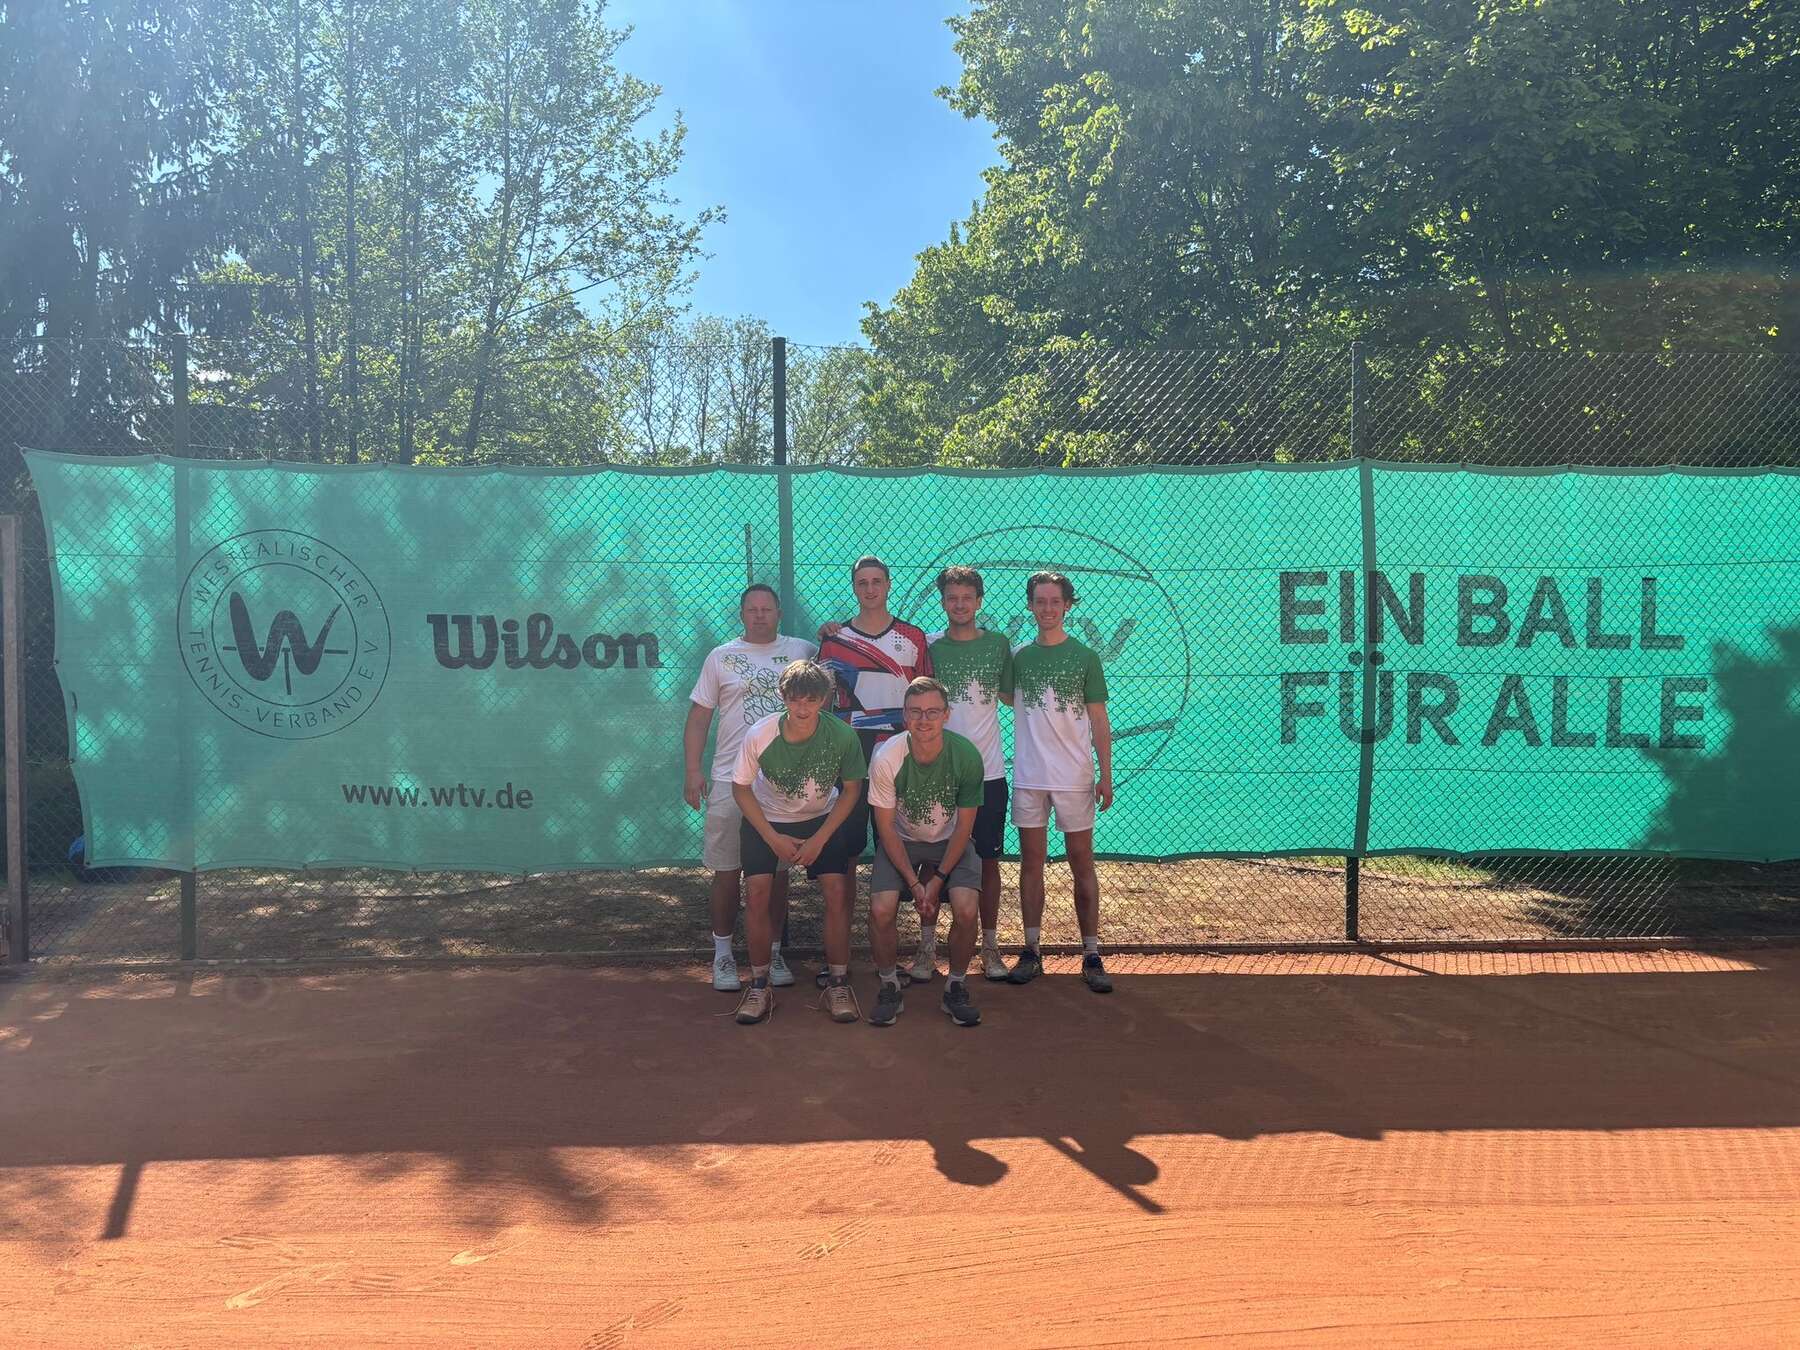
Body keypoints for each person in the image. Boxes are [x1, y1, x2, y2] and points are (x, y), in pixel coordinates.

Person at [683, 584, 816, 991]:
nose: (759, 615)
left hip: (781, 784)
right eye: (752, 609)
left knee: (777, 874)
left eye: (767, 609)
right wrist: (693, 770)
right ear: (741, 614)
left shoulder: (803, 651)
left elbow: (840, 656)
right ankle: (723, 956)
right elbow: (699, 717)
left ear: (779, 613)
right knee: (728, 871)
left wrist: (832, 629)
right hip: (729, 779)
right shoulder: (720, 657)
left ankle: (773, 953)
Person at [814, 555, 933, 983]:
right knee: (843, 862)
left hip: (899, 762)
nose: (869, 589)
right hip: (850, 762)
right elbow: (821, 707)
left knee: (895, 857)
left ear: (888, 585)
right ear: (854, 587)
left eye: (876, 581)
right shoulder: (833, 641)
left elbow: (925, 703)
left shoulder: (913, 638)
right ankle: (839, 962)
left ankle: (894, 960)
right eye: (862, 582)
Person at [731, 660, 867, 1025]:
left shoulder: (843, 735)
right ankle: (759, 986)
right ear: (783, 697)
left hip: (822, 819)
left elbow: (852, 789)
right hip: (767, 820)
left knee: (836, 892)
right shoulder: (760, 733)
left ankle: (837, 984)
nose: (802, 708)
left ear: (824, 699)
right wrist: (772, 837)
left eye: (811, 699)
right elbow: (740, 788)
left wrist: (819, 839)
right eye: (795, 699)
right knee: (756, 894)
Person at [1001, 571, 1115, 994]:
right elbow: (1005, 696)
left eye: (1055, 601)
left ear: (1068, 605)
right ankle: (1032, 950)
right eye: (1040, 601)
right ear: (1030, 605)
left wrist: (1106, 775)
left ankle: (1091, 953)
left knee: (1081, 861)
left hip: (1074, 777)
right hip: (1030, 777)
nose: (1047, 608)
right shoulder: (1017, 656)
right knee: (1032, 863)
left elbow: (1099, 719)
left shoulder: (1085, 656)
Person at [865, 678, 987, 1028]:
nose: (924, 720)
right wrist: (914, 883)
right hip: (901, 842)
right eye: (915, 712)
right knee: (881, 909)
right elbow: (886, 829)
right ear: (904, 716)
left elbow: (964, 828)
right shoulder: (886, 757)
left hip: (950, 842)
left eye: (933, 712)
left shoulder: (966, 755)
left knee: (966, 908)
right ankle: (889, 986)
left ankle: (955, 987)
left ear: (947, 715)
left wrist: (938, 880)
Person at [924, 565, 1014, 981]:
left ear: (979, 601)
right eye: (951, 598)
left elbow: (1013, 696)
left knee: (988, 862)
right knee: (930, 861)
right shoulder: (929, 647)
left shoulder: (999, 645)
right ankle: (927, 949)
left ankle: (989, 948)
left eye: (966, 597)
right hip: (936, 775)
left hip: (988, 774)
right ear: (943, 602)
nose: (959, 604)